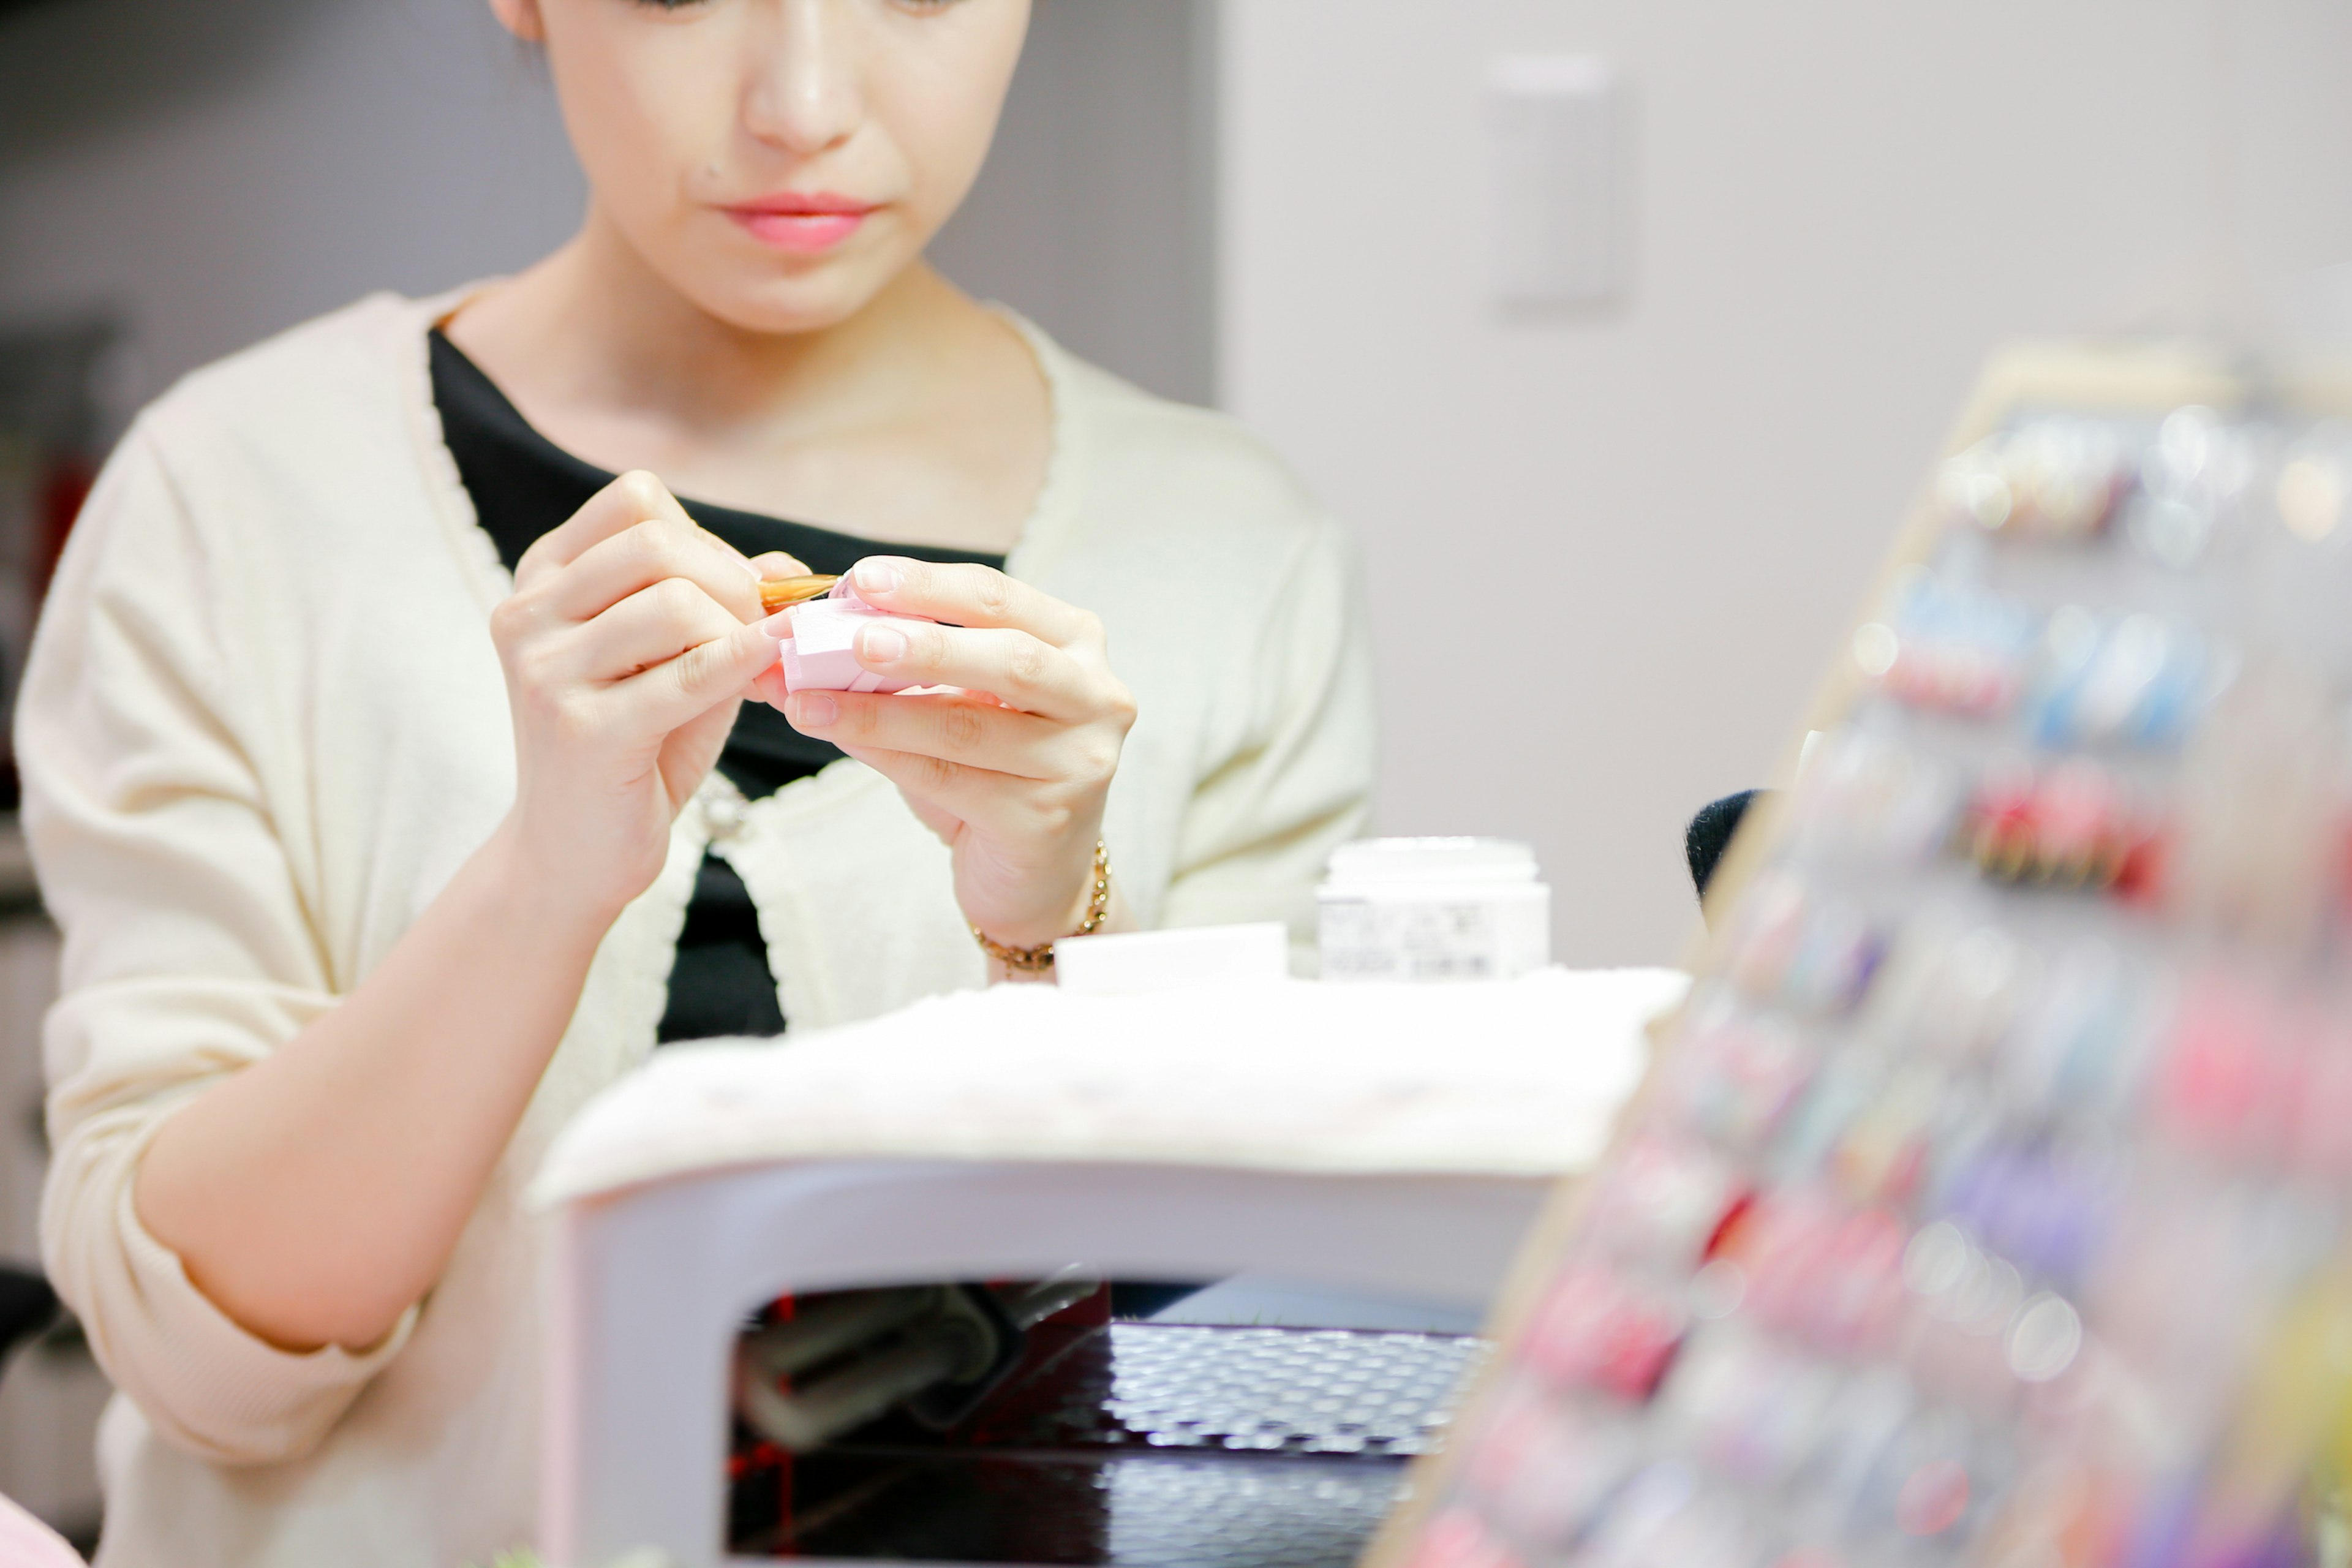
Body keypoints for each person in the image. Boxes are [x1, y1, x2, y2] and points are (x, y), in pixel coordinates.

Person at [16, 2, 1374, 1562]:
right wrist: (542, 883)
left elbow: (1252, 1357)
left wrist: (1053, 926)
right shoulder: (232, 497)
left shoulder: (1234, 551)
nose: (801, 104)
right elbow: (200, 1367)